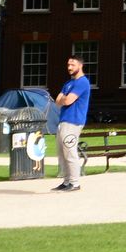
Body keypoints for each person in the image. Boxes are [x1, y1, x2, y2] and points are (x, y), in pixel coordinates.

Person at [53, 54, 90, 192]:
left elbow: (67, 101)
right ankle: (66, 181)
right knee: (62, 153)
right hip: (63, 121)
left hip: (74, 121)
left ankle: (75, 183)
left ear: (80, 65)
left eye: (72, 65)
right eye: (68, 65)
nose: (69, 67)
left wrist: (65, 98)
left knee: (70, 151)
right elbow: (57, 101)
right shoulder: (68, 83)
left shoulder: (82, 82)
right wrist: (65, 98)